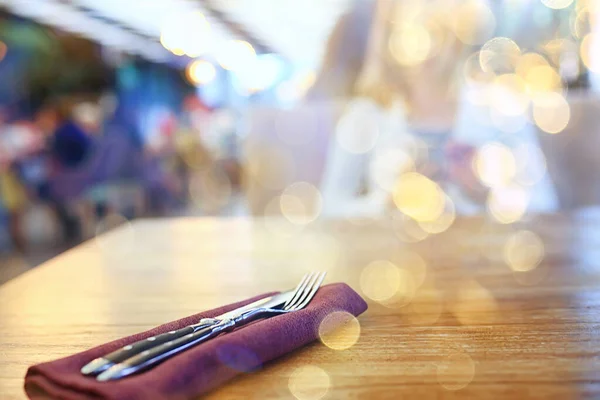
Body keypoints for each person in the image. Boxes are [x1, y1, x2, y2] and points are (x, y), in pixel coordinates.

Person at [312, 0, 557, 217]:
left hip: (479, 259)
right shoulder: (366, 115)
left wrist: (490, 196)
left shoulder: (500, 108)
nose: (424, 46)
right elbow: (329, 208)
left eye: (435, 31)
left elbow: (546, 205)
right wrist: (385, 204)